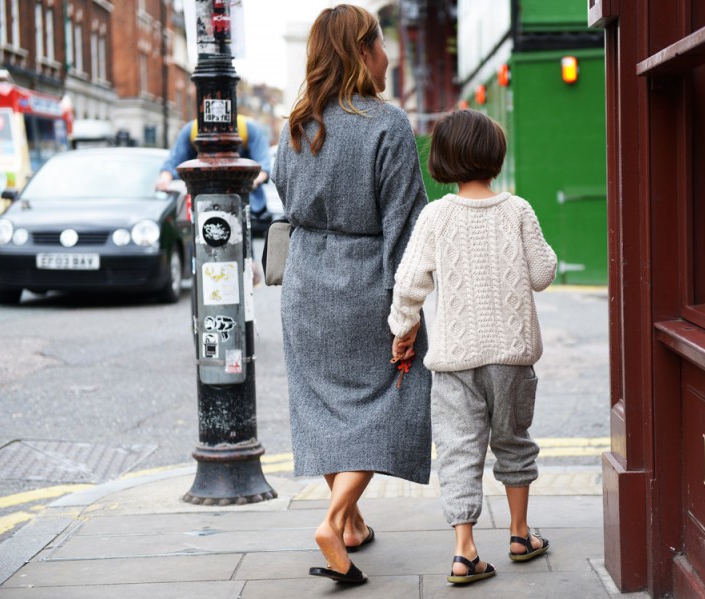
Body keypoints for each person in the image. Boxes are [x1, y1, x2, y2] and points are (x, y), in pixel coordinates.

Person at [271, 4, 432, 586]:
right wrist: (406, 314)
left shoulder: (295, 127)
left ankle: (354, 525)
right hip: (366, 285)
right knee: (392, 399)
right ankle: (334, 520)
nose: (388, 55)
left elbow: (286, 200)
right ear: (363, 51)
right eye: (382, 44)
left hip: (305, 288)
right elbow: (406, 227)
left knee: (324, 408)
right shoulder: (387, 124)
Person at [388, 109, 558, 585]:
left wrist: (403, 329)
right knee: (513, 441)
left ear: (442, 160)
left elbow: (409, 283)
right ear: (495, 156)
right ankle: (520, 535)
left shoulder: (435, 215)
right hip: (512, 357)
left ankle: (464, 551)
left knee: (458, 450)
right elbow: (543, 274)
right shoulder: (518, 210)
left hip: (454, 360)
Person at [155, 115, 273, 230]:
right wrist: (165, 179)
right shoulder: (192, 130)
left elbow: (263, 166)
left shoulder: (247, 128)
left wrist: (252, 181)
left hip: (244, 204)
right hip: (203, 203)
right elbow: (173, 162)